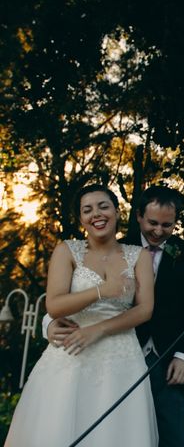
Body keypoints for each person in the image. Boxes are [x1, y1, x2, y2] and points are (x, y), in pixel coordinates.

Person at [45, 185, 184, 447]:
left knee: (176, 436)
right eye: (152, 222)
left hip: (169, 361)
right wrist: (49, 324)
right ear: (139, 217)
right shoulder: (120, 246)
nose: (158, 231)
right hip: (121, 356)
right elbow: (66, 300)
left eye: (167, 225)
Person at [5, 184, 158, 446]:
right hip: (71, 353)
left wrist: (97, 330)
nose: (96, 214)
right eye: (87, 210)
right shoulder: (67, 251)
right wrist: (102, 290)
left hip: (121, 357)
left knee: (116, 431)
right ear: (81, 220)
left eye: (103, 206)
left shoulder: (139, 256)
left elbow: (144, 310)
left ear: (117, 211)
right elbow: (54, 305)